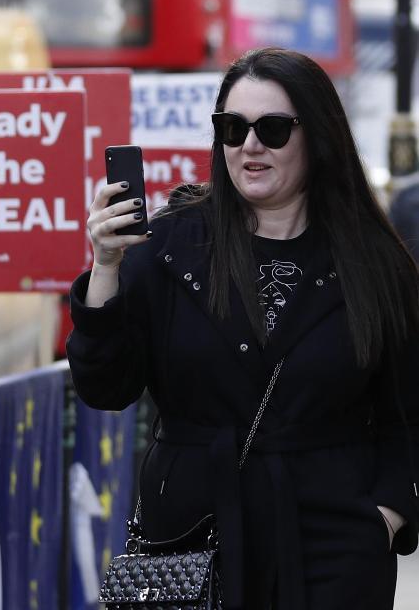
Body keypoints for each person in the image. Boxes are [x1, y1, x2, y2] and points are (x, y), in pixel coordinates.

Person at [67, 47, 419, 609]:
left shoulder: (374, 262)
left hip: (331, 549)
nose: (249, 145)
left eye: (273, 129)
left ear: (318, 137)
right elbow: (105, 388)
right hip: (191, 542)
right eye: (232, 128)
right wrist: (104, 269)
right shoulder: (169, 244)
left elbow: (407, 414)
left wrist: (384, 517)